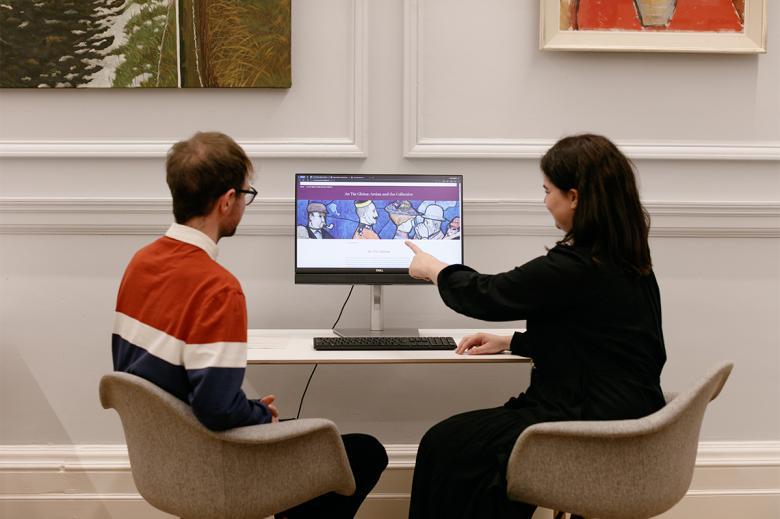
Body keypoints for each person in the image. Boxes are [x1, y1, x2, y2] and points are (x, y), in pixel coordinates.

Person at [111, 131, 387, 518]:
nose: (245, 202)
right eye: (246, 194)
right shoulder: (218, 288)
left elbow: (159, 378)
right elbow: (216, 411)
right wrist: (260, 415)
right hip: (212, 460)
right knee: (363, 452)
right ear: (227, 201)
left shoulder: (140, 263)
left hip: (164, 457)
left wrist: (248, 408)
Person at [404, 133, 667, 519]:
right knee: (464, 446)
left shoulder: (574, 267)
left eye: (548, 191)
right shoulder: (628, 260)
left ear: (574, 197)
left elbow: (488, 294)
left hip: (585, 422)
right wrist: (511, 340)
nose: (545, 202)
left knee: (444, 444)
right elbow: (596, 339)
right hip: (631, 417)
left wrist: (434, 269)